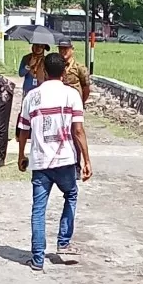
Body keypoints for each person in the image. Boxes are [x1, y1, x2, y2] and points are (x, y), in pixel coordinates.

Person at [16, 52, 92, 271]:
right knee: (71, 194)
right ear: (64, 72)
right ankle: (63, 242)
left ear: (45, 71)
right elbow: (78, 131)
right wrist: (86, 160)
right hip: (65, 159)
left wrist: (22, 155)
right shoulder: (72, 95)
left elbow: (23, 130)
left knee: (38, 209)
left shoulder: (32, 96)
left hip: (40, 162)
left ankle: (38, 259)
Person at [56, 37, 91, 105]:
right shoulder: (56, 66)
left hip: (74, 103)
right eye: (61, 49)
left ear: (72, 49)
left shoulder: (80, 68)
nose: (63, 51)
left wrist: (81, 102)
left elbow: (86, 88)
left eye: (65, 48)